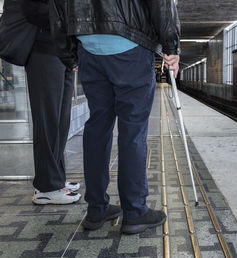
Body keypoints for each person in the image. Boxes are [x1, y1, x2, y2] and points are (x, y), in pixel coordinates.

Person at [50, 0, 180, 234]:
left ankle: (97, 208)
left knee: (97, 127)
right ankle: (135, 211)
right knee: (133, 131)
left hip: (88, 47)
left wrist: (69, 55)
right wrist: (171, 47)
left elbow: (57, 9)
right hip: (130, 44)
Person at [21, 0, 81, 204]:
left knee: (60, 121)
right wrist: (67, 18)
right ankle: (46, 187)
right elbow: (32, 10)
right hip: (43, 50)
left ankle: (57, 177)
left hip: (63, 53)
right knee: (47, 120)